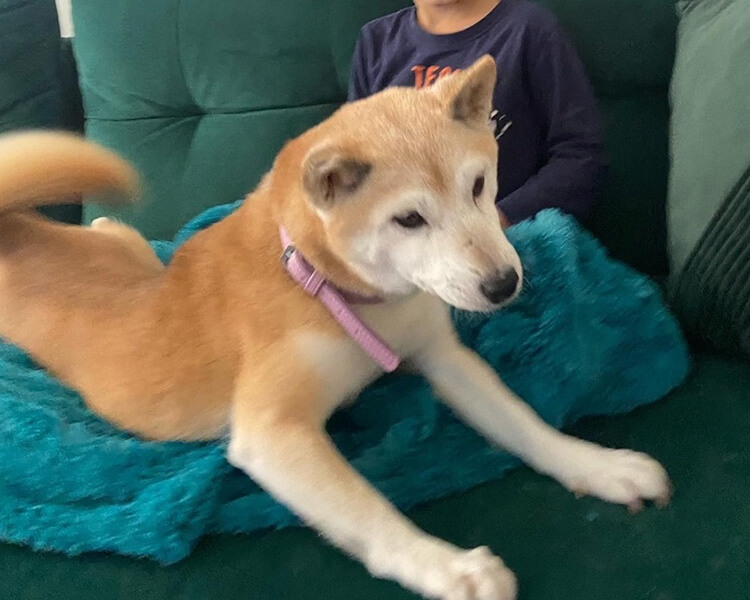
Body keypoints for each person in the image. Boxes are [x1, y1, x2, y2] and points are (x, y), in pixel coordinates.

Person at [348, 0, 608, 227]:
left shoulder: (530, 29)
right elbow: (356, 172)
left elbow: (581, 154)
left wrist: (498, 222)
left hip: (512, 241)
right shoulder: (375, 42)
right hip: (408, 250)